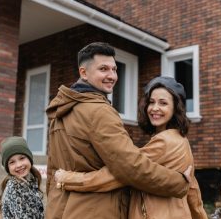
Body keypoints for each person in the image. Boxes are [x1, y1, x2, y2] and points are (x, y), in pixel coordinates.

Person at [45, 42, 190, 219]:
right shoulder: (99, 111)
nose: (112, 76)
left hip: (60, 208)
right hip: (95, 211)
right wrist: (179, 182)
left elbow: (53, 173)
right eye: (103, 69)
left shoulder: (61, 110)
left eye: (114, 69)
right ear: (83, 73)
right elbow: (130, 167)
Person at [53, 76, 209, 219]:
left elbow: (119, 174)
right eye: (151, 102)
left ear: (176, 108)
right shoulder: (181, 140)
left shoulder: (165, 142)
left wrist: (69, 179)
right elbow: (193, 190)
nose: (154, 108)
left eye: (163, 103)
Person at [0, 136, 44, 219]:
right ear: (7, 167)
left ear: (29, 158)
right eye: (12, 162)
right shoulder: (16, 188)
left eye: (22, 158)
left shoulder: (30, 181)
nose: (19, 165)